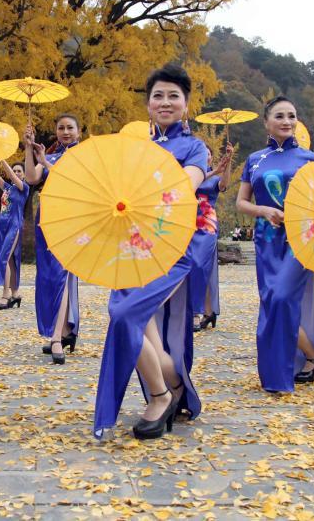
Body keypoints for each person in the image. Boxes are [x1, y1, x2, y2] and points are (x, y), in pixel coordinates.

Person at [94, 64, 207, 440]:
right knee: (135, 320)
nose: (165, 102)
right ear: (147, 104)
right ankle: (174, 381)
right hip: (129, 246)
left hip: (172, 247)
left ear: (186, 105)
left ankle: (160, 396)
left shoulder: (194, 147)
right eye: (158, 95)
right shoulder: (135, 148)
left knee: (125, 315)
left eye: (174, 96)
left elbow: (183, 188)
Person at [236, 96, 314, 391]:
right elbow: (241, 203)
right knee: (271, 301)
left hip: (300, 239)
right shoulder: (255, 159)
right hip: (267, 239)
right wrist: (263, 210)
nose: (287, 121)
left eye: (292, 115)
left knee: (280, 297)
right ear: (266, 122)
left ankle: (290, 367)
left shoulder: (309, 159)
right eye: (280, 116)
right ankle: (308, 358)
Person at [25, 115, 82, 364]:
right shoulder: (52, 155)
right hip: (46, 219)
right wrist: (29, 148)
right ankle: (66, 330)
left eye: (70, 128)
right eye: (61, 127)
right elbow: (31, 179)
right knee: (48, 276)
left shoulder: (83, 156)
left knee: (62, 274)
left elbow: (70, 179)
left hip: (70, 219)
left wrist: (45, 162)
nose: (65, 132)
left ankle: (57, 337)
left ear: (79, 132)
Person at [190, 146, 233, 332]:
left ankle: (196, 313)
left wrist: (228, 162)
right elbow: (186, 185)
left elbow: (224, 184)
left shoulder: (214, 178)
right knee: (190, 267)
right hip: (186, 224)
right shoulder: (189, 174)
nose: (205, 156)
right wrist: (215, 170)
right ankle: (208, 310)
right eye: (202, 154)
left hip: (206, 225)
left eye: (208, 154)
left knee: (199, 264)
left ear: (211, 158)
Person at [0, 160, 29, 310]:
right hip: (2, 226)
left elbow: (12, 177)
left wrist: (4, 161)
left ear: (24, 174)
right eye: (15, 170)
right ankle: (15, 294)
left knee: (3, 258)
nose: (17, 173)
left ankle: (5, 294)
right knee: (11, 260)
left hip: (14, 225)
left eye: (20, 171)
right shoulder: (7, 188)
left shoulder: (23, 188)